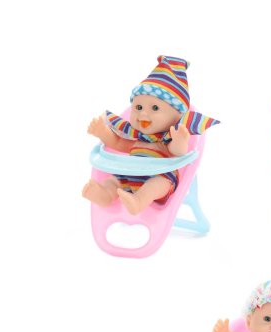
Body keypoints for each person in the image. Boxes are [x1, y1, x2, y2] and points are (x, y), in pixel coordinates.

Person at [83, 55, 219, 215]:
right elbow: (118, 143)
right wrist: (102, 132)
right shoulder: (136, 138)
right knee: (114, 181)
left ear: (176, 117)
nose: (143, 114)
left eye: (155, 108)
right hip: (130, 174)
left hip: (159, 176)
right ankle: (104, 195)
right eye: (138, 107)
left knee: (157, 184)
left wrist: (180, 140)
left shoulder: (165, 139)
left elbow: (177, 152)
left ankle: (139, 201)